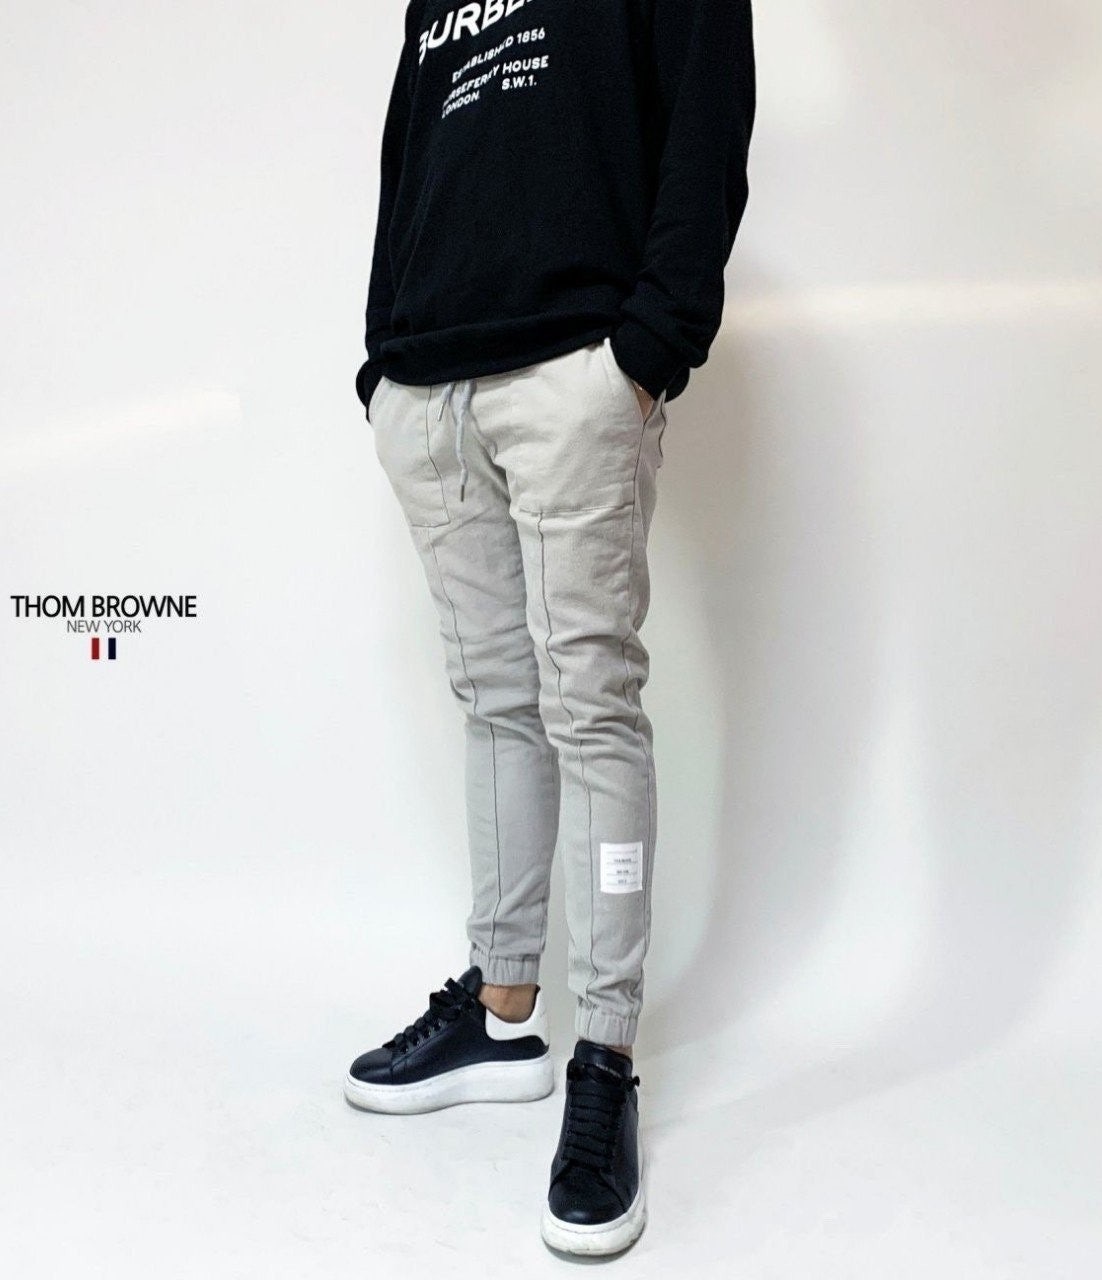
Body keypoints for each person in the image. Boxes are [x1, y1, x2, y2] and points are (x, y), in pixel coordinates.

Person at [345, 0, 755, 1256]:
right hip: (429, 388)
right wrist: (381, 360)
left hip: (573, 370)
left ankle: (606, 1056)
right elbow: (408, 158)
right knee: (493, 699)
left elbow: (707, 120)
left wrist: (648, 348)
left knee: (591, 705)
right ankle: (502, 1002)